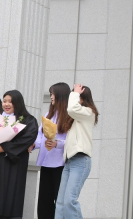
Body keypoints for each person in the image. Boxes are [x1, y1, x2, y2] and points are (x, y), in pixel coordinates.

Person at [55, 84, 99, 219]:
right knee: (61, 203)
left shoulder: (88, 112)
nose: (71, 97)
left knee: (70, 201)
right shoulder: (77, 118)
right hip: (69, 162)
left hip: (80, 161)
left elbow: (72, 108)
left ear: (82, 97)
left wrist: (75, 92)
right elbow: (74, 142)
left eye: (74, 95)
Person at [34, 83, 73, 219]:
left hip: (60, 164)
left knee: (59, 201)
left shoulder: (70, 116)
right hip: (46, 163)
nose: (51, 96)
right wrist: (33, 145)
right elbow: (40, 136)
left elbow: (71, 140)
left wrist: (57, 144)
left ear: (61, 95)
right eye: (50, 93)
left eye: (53, 93)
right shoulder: (48, 114)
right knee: (44, 201)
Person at [0, 90, 38, 219]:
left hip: (16, 163)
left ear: (18, 103)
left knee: (13, 196)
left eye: (10, 101)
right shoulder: (0, 118)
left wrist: (3, 147)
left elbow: (28, 139)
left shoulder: (29, 120)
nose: (7, 104)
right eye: (4, 101)